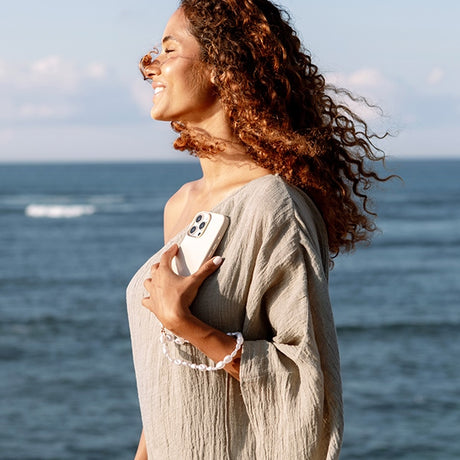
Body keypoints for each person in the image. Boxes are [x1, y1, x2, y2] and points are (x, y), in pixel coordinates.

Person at [127, 1, 390, 458]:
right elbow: (167, 383)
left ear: (221, 66)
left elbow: (307, 385)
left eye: (169, 50)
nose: (151, 66)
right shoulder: (180, 205)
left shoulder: (276, 207)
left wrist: (185, 323)